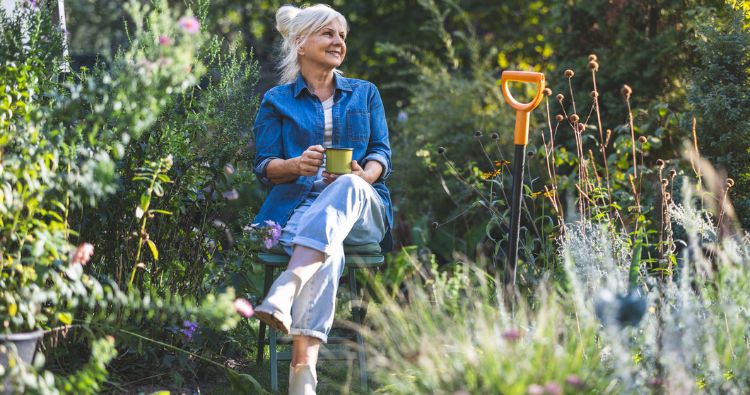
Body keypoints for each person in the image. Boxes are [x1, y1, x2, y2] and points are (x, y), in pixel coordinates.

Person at [250, 4, 393, 394]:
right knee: (324, 247)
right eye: (328, 34)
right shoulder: (277, 100)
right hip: (299, 211)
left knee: (345, 187)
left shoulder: (365, 93)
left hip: (364, 209)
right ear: (300, 43)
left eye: (342, 35)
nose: (338, 42)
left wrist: (363, 176)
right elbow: (264, 167)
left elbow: (382, 152)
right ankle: (303, 376)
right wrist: (295, 166)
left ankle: (286, 286)